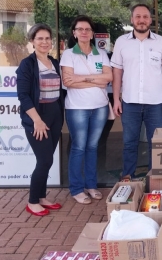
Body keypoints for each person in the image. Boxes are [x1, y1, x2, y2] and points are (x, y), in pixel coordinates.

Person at [111, 4, 162, 179]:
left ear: (150, 20)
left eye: (145, 17)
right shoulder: (121, 42)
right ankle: (128, 178)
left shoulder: (161, 42)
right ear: (132, 19)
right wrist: (116, 99)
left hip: (155, 103)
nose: (141, 20)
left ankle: (153, 181)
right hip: (130, 102)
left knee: (155, 144)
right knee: (129, 143)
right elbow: (117, 72)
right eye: (138, 17)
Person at [60, 15, 113, 204]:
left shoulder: (101, 53)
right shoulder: (68, 54)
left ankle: (91, 185)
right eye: (80, 29)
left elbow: (108, 78)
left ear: (92, 33)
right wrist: (94, 79)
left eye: (87, 29)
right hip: (77, 109)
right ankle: (76, 188)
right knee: (79, 147)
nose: (83, 32)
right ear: (74, 33)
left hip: (99, 107)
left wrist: (82, 78)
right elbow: (68, 82)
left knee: (92, 147)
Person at [16, 24, 63, 217]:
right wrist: (36, 120)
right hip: (37, 115)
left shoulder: (54, 62)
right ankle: (33, 201)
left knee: (48, 160)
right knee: (44, 160)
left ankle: (42, 197)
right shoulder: (27, 64)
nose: (44, 42)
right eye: (40, 39)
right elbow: (23, 95)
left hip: (55, 114)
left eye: (47, 38)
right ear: (32, 42)